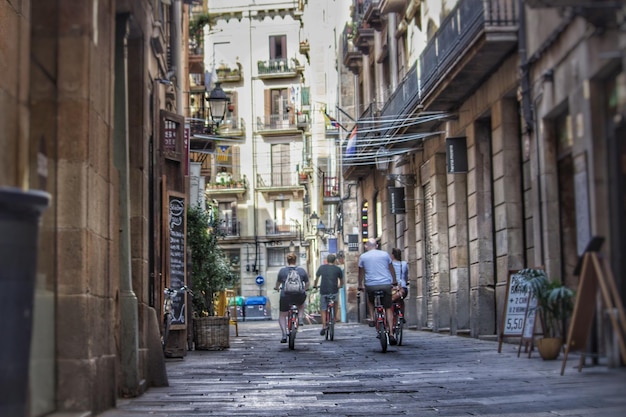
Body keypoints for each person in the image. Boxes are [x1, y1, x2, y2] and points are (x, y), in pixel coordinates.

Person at [357, 238, 398, 345]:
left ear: (366, 246)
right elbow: (391, 269)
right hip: (385, 284)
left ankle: (371, 317)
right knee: (388, 308)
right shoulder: (385, 255)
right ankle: (391, 333)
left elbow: (360, 273)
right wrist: (394, 281)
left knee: (370, 299)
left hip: (371, 285)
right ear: (376, 246)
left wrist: (360, 284)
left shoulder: (363, 257)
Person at [274, 252, 310, 343]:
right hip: (299, 295)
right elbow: (307, 283)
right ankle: (300, 318)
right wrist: (305, 289)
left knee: (282, 315)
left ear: (287, 260)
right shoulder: (301, 271)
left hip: (285, 296)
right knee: (301, 305)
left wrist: (277, 288)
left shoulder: (282, 271)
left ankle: (284, 334)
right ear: (295, 260)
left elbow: (277, 284)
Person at [313, 253, 344, 336]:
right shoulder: (338, 269)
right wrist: (340, 286)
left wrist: (315, 285)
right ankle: (335, 317)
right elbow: (341, 281)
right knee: (336, 302)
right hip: (334, 290)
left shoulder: (322, 268)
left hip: (324, 291)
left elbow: (316, 278)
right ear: (334, 261)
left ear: (327, 260)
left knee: (323, 308)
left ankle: (323, 326)